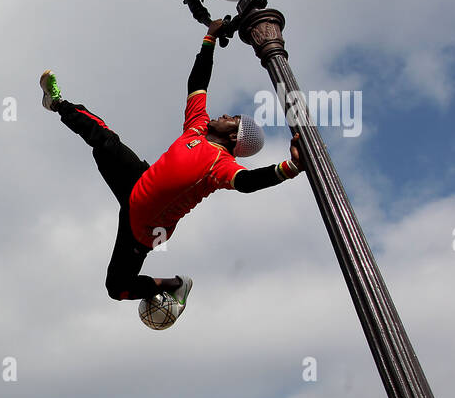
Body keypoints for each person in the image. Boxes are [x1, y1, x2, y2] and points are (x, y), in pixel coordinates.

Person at [39, 21, 303, 313]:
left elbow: (248, 182)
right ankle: (57, 103)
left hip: (144, 229)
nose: (226, 113)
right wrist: (210, 38)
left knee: (118, 288)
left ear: (233, 136)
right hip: (137, 182)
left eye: (233, 118)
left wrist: (291, 166)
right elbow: (198, 83)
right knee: (103, 140)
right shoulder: (197, 126)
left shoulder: (221, 165)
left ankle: (175, 285)